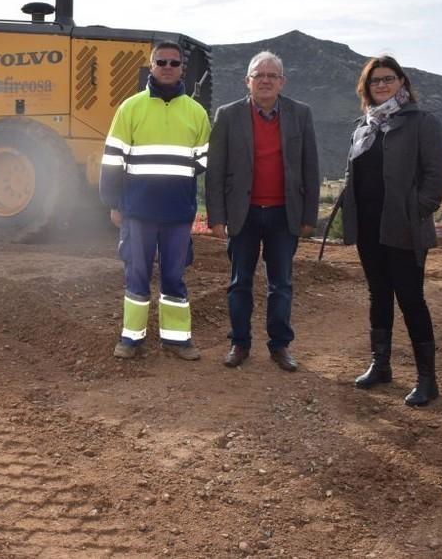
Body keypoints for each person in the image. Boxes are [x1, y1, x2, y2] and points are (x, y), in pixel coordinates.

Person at [341, 55, 442, 406]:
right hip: (370, 228)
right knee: (378, 295)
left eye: (389, 79)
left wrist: (415, 211)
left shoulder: (421, 122)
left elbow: (438, 176)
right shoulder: (364, 126)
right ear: (367, 87)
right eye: (375, 81)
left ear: (402, 82)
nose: (382, 85)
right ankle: (381, 365)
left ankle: (427, 380)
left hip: (405, 228)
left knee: (411, 299)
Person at [206, 51, 319, 371]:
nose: (265, 80)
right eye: (259, 75)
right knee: (239, 282)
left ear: (282, 82)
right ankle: (239, 343)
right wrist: (216, 216)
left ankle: (280, 346)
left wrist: (309, 215)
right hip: (244, 214)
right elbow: (216, 170)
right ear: (248, 81)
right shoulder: (227, 115)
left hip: (285, 214)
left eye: (272, 75)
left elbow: (310, 166)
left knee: (280, 283)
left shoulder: (301, 114)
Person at [100, 41, 210, 361]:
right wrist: (113, 203)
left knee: (174, 276)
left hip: (178, 213)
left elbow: (202, 161)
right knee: (137, 274)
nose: (167, 66)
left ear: (182, 69)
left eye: (173, 63)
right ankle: (131, 338)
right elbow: (112, 160)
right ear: (151, 66)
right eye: (160, 61)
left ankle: (176, 340)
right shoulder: (130, 108)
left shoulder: (196, 113)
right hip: (138, 211)